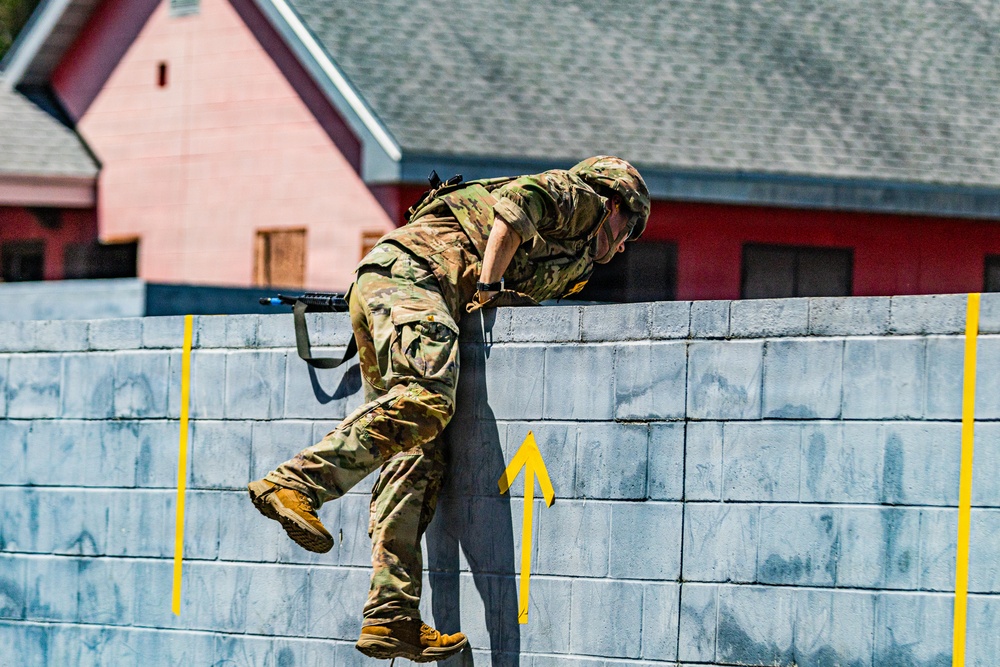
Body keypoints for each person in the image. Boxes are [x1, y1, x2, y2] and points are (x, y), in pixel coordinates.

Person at [247, 156, 650, 662]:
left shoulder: (576, 265)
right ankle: (296, 482)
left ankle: (390, 616)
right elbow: (514, 208)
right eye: (628, 227)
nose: (624, 242)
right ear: (616, 204)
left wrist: (495, 291)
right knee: (428, 402)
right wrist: (487, 285)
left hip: (402, 284)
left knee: (417, 456)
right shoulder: (580, 200)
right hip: (416, 276)